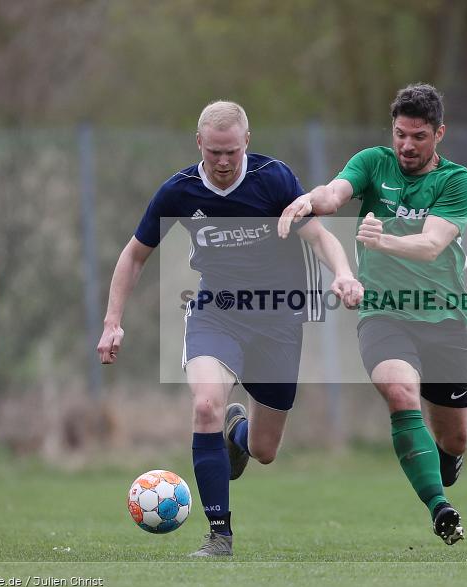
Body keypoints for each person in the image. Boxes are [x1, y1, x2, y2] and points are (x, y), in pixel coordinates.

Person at [97, 100, 362, 557]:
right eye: (214, 152)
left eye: (232, 152)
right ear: (199, 143)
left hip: (277, 321)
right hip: (215, 314)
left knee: (264, 450)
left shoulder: (273, 179)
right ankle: (220, 534)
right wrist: (112, 322)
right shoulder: (179, 191)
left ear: (247, 142)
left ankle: (237, 434)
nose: (223, 162)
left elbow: (319, 236)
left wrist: (343, 273)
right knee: (205, 406)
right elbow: (134, 255)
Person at [279, 83, 467, 545]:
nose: (407, 145)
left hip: (443, 316)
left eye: (419, 136)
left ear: (439, 134)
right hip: (383, 312)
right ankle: (440, 508)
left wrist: (380, 239)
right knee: (400, 392)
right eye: (400, 134)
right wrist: (309, 200)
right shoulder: (373, 162)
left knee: (453, 439)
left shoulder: (457, 181)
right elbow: (335, 193)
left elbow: (431, 245)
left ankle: (451, 452)